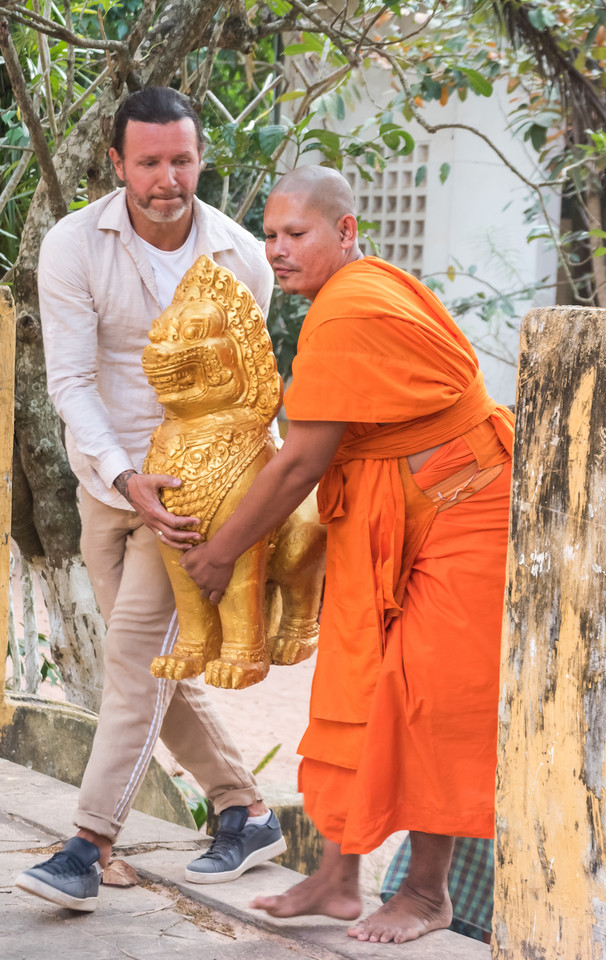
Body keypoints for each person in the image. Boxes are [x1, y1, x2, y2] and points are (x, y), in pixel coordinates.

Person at [181, 164, 514, 944]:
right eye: (269, 235)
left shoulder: (349, 310)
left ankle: (428, 896)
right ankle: (336, 877)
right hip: (405, 507)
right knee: (357, 682)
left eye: (296, 234)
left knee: (429, 694)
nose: (278, 250)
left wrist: (223, 551)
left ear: (346, 231)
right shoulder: (349, 296)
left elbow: (301, 462)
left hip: (468, 508)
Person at [15, 86, 286, 913]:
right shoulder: (73, 246)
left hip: (198, 493)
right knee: (145, 676)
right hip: (110, 481)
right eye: (150, 162)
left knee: (136, 658)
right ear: (118, 164)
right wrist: (128, 477)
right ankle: (246, 809)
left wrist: (230, 504)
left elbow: (246, 399)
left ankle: (88, 845)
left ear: (200, 158)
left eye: (182, 160)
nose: (168, 179)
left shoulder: (243, 257)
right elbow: (69, 382)